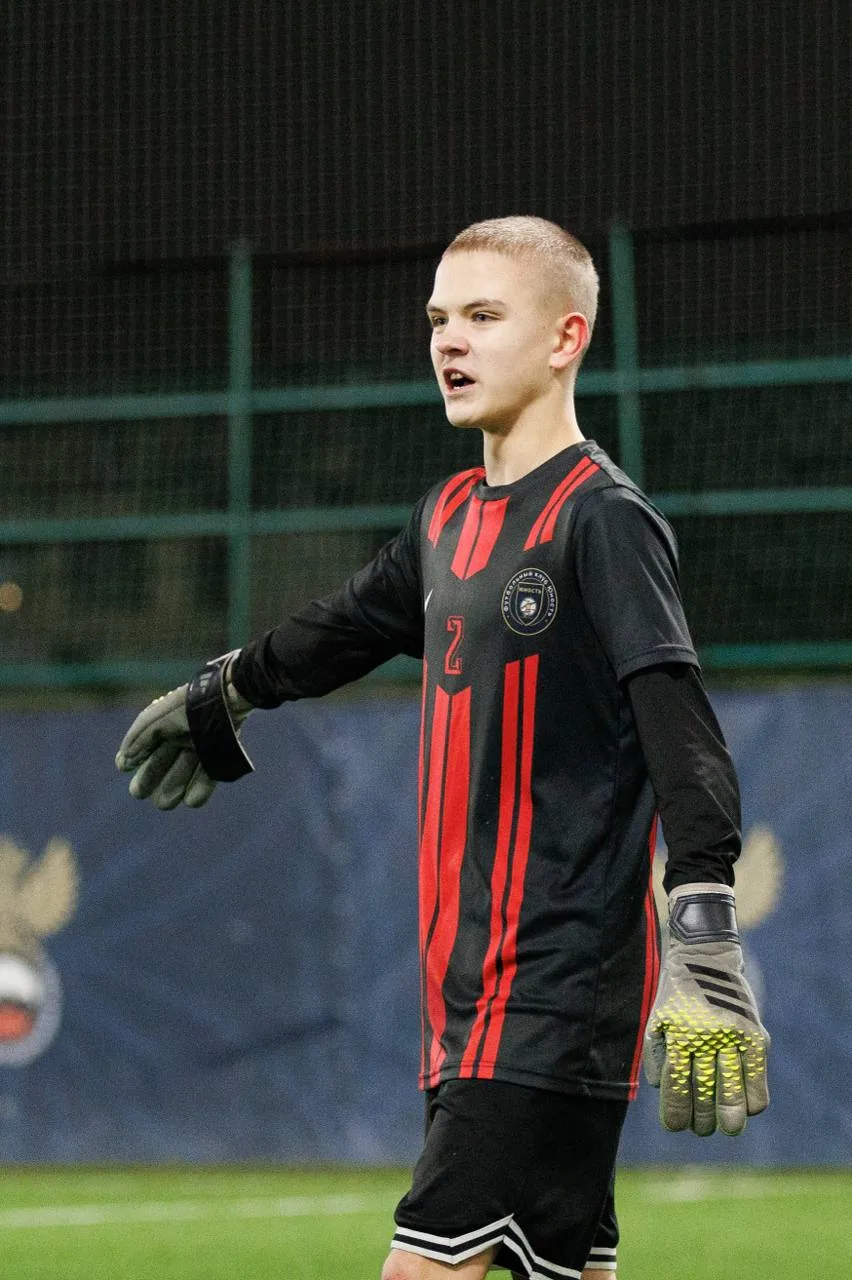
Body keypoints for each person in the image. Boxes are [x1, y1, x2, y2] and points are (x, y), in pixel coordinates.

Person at [116, 216, 769, 1280]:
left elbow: (683, 735)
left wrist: (704, 935)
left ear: (564, 338)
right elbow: (344, 625)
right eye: (437, 317)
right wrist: (228, 689)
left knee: (423, 1266)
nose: (448, 340)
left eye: (482, 315)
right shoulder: (448, 516)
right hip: (466, 998)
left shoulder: (603, 518)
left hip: (552, 985)